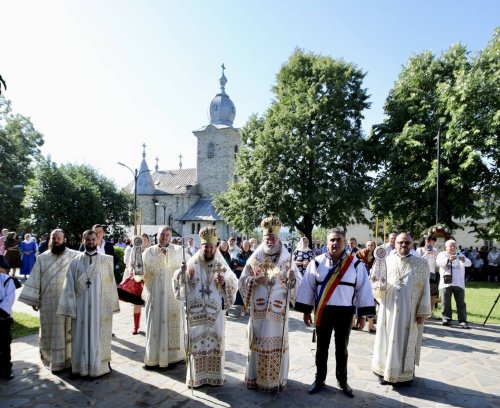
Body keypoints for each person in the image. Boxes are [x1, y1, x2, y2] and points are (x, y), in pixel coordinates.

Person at [295, 228, 375, 398]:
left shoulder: (355, 264)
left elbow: (363, 290)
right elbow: (308, 287)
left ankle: (342, 380)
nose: (335, 243)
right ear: (327, 242)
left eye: (338, 240)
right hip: (323, 311)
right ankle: (319, 379)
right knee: (321, 348)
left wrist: (362, 315)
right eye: (332, 240)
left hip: (345, 313)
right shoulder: (316, 262)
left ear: (344, 242)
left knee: (342, 349)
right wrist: (306, 311)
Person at [239, 215, 301, 392]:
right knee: (257, 343)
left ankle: (276, 380)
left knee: (277, 345)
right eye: (267, 237)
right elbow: (242, 282)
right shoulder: (254, 259)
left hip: (278, 314)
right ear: (263, 238)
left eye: (273, 237)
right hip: (259, 313)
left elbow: (296, 284)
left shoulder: (287, 260)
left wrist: (292, 279)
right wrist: (254, 280)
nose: (271, 240)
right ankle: (256, 379)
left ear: (278, 238)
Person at [173, 226, 238, 388]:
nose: (208, 249)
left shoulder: (220, 264)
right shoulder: (192, 263)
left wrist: (224, 282)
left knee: (215, 342)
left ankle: (215, 377)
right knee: (197, 344)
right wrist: (183, 275)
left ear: (215, 247)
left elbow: (233, 280)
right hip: (196, 313)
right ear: (200, 246)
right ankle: (197, 377)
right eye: (205, 246)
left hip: (215, 314)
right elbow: (178, 281)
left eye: (211, 246)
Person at [57, 230, 119, 377]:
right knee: (80, 336)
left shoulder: (106, 260)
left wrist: (111, 305)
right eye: (88, 240)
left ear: (97, 241)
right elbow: (68, 286)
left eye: (93, 239)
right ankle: (80, 367)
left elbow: (111, 284)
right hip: (80, 307)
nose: (91, 242)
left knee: (97, 336)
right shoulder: (75, 261)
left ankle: (99, 366)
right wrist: (69, 306)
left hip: (99, 306)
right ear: (83, 240)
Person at [371, 232, 431, 386]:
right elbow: (375, 283)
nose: (403, 245)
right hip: (388, 309)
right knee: (386, 339)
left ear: (412, 244)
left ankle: (404, 375)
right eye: (400, 242)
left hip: (409, 312)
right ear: (395, 243)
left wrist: (423, 311)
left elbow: (426, 288)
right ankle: (384, 371)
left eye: (407, 243)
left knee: (405, 341)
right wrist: (375, 278)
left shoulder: (421, 264)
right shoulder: (384, 260)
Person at [18, 229, 79, 372]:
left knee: (69, 331)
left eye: (59, 238)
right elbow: (35, 279)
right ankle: (52, 360)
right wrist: (34, 299)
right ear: (50, 240)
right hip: (48, 303)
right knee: (50, 332)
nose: (56, 240)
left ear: (64, 239)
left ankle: (70, 360)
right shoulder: (42, 258)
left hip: (69, 302)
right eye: (54, 238)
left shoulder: (75, 256)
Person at [142, 226, 185, 369]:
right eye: (162, 234)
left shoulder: (179, 251)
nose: (164, 237)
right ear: (157, 235)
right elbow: (139, 274)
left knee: (172, 323)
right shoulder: (148, 252)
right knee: (154, 325)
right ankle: (154, 357)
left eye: (167, 235)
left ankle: (174, 357)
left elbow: (189, 268)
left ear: (171, 236)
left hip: (173, 295)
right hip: (154, 295)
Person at [118, 234, 150, 335]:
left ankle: (151, 325)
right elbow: (130, 263)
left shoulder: (151, 251)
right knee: (137, 304)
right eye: (142, 240)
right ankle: (136, 326)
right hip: (138, 280)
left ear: (148, 242)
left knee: (151, 305)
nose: (144, 242)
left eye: (145, 240)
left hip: (149, 280)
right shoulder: (135, 250)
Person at [436, 239, 472, 328]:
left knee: (461, 303)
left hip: (459, 282)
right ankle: (446, 319)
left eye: (454, 246)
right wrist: (448, 259)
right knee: (446, 302)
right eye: (450, 246)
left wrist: (463, 260)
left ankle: (462, 321)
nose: (453, 248)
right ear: (446, 247)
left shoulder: (460, 254)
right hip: (446, 282)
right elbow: (438, 263)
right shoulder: (442, 254)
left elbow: (469, 263)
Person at [352, 240, 377, 333]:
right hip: (360, 284)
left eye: (372, 245)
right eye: (368, 245)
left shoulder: (377, 257)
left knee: (370, 303)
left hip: (372, 284)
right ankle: (353, 322)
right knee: (356, 301)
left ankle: (370, 324)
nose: (370, 246)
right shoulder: (359, 258)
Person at [416, 235, 439, 319]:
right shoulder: (419, 250)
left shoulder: (435, 250)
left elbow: (438, 262)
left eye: (434, 242)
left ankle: (430, 311)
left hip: (432, 273)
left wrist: (436, 255)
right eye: (430, 241)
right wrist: (425, 254)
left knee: (433, 294)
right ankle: (421, 311)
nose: (432, 243)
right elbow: (417, 261)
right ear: (426, 241)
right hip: (422, 273)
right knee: (421, 293)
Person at [0, 257, 15, 380]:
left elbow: (9, 297)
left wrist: (1, 312)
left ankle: (6, 368)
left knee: (4, 344)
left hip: (3, 317)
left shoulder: (7, 279)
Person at [233, 240, 253, 317]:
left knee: (248, 292)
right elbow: (235, 266)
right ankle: (242, 309)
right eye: (244, 245)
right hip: (240, 276)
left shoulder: (252, 254)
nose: (246, 247)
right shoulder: (238, 254)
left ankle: (246, 307)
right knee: (241, 292)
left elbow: (253, 266)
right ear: (242, 246)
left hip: (249, 277)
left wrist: (242, 268)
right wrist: (243, 268)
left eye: (247, 245)